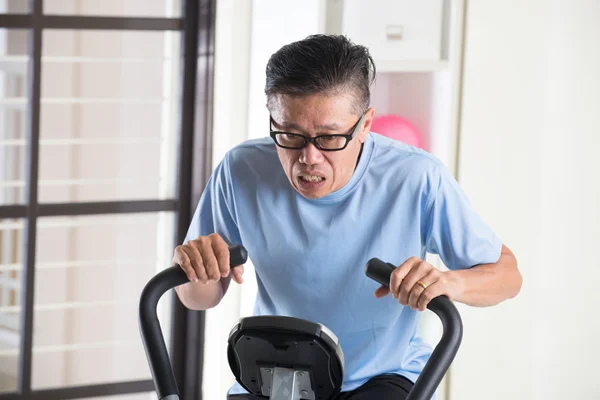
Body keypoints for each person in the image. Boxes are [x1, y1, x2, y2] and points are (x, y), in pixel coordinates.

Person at [173, 34, 522, 400]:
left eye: (328, 138)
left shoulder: (415, 177)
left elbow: (507, 275)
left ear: (365, 125)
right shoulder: (241, 169)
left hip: (382, 375)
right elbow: (199, 298)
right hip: (280, 372)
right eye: (289, 135)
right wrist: (195, 267)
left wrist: (450, 283)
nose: (308, 157)